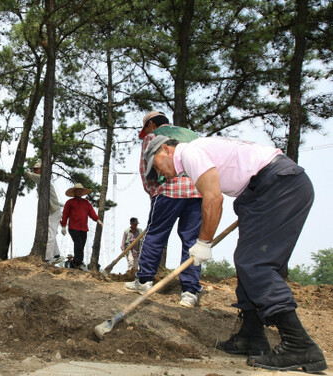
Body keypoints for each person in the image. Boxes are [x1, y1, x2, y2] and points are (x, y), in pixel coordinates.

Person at [144, 135, 327, 373]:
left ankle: (299, 345)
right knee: (247, 261)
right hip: (269, 187)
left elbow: (212, 198)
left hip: (277, 184)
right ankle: (252, 335)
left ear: (166, 150)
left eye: (156, 165)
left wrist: (204, 242)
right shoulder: (198, 152)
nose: (160, 173)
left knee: (255, 264)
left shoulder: (188, 153)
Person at [124, 111, 203, 309]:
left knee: (155, 234)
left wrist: (154, 193)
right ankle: (190, 292)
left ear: (151, 124)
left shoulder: (153, 138)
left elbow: (146, 169)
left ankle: (143, 281)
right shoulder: (191, 135)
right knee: (192, 241)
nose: (146, 133)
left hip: (169, 190)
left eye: (146, 128)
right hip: (197, 190)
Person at [24, 161, 63, 264]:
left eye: (36, 169)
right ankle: (56, 255)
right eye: (34, 169)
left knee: (50, 235)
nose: (34, 171)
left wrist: (21, 171)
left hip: (54, 210)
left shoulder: (43, 179)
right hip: (52, 211)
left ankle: (47, 258)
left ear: (42, 170)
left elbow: (30, 175)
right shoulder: (41, 181)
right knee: (51, 233)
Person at [60, 183, 103, 270]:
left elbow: (91, 213)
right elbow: (65, 214)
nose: (80, 192)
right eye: (78, 190)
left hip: (83, 228)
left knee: (81, 246)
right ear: (75, 192)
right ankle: (79, 263)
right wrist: (63, 226)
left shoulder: (86, 203)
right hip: (73, 227)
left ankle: (74, 264)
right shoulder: (69, 202)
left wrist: (98, 220)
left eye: (81, 191)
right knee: (78, 245)